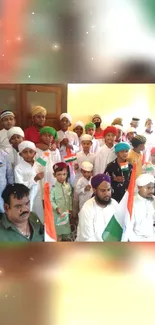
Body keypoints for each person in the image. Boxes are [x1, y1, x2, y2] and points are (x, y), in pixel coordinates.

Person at [76, 174, 119, 241]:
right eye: (103, 190)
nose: (107, 193)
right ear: (94, 190)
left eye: (108, 190)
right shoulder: (87, 209)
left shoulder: (114, 204)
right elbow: (87, 238)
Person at [14, 141, 44, 223]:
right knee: (29, 216)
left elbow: (48, 166)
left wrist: (50, 150)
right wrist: (34, 180)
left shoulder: (39, 163)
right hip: (27, 196)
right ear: (20, 154)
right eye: (25, 152)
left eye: (31, 151)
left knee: (41, 216)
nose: (28, 154)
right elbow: (20, 185)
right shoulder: (18, 168)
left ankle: (41, 231)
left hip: (41, 195)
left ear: (35, 153)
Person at [123, 174, 155, 242]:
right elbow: (129, 227)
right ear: (139, 187)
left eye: (152, 188)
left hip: (152, 237)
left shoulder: (153, 200)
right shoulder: (132, 202)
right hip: (137, 240)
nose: (151, 191)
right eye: (148, 188)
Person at [50, 162, 72, 241]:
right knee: (58, 230)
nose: (62, 177)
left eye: (64, 174)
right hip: (57, 213)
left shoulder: (68, 186)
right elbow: (51, 200)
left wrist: (70, 209)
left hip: (65, 212)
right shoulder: (53, 188)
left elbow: (69, 199)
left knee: (66, 228)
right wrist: (56, 208)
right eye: (59, 174)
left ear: (67, 174)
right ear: (54, 175)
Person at [0, 150, 14, 217]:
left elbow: (9, 174)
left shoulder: (3, 155)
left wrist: (11, 188)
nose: (28, 154)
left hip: (3, 191)